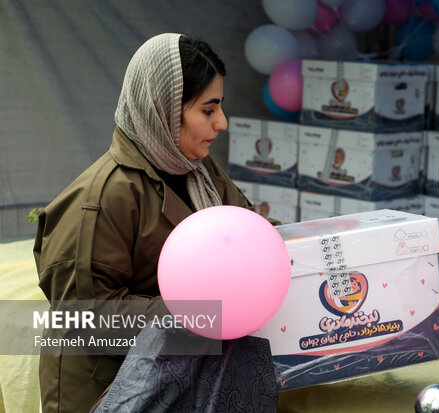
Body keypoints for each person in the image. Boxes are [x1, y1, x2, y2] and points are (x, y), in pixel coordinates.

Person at [33, 33, 278, 412]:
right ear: (161, 107)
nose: (222, 123)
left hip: (180, 381)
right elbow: (86, 316)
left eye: (220, 108)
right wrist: (200, 311)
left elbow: (245, 233)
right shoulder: (105, 195)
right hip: (110, 393)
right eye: (208, 110)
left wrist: (300, 242)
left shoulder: (200, 173)